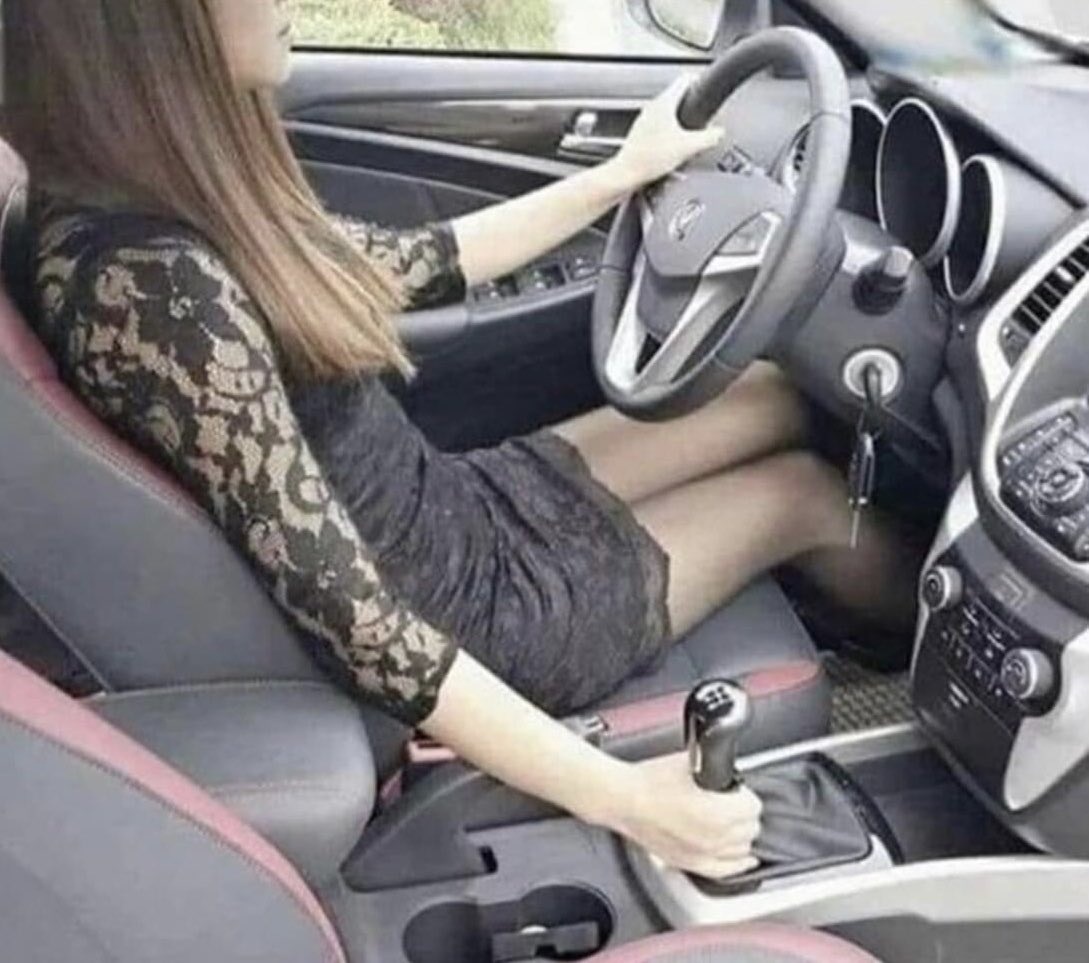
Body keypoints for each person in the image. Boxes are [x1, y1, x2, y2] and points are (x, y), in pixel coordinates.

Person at [5, 0, 915, 880]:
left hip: (450, 505)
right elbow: (368, 630)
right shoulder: (154, 294)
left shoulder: (153, 193)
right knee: (804, 494)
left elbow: (417, 262)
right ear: (153, 27)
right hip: (476, 618)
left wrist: (617, 175)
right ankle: (926, 663)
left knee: (769, 392)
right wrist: (632, 800)